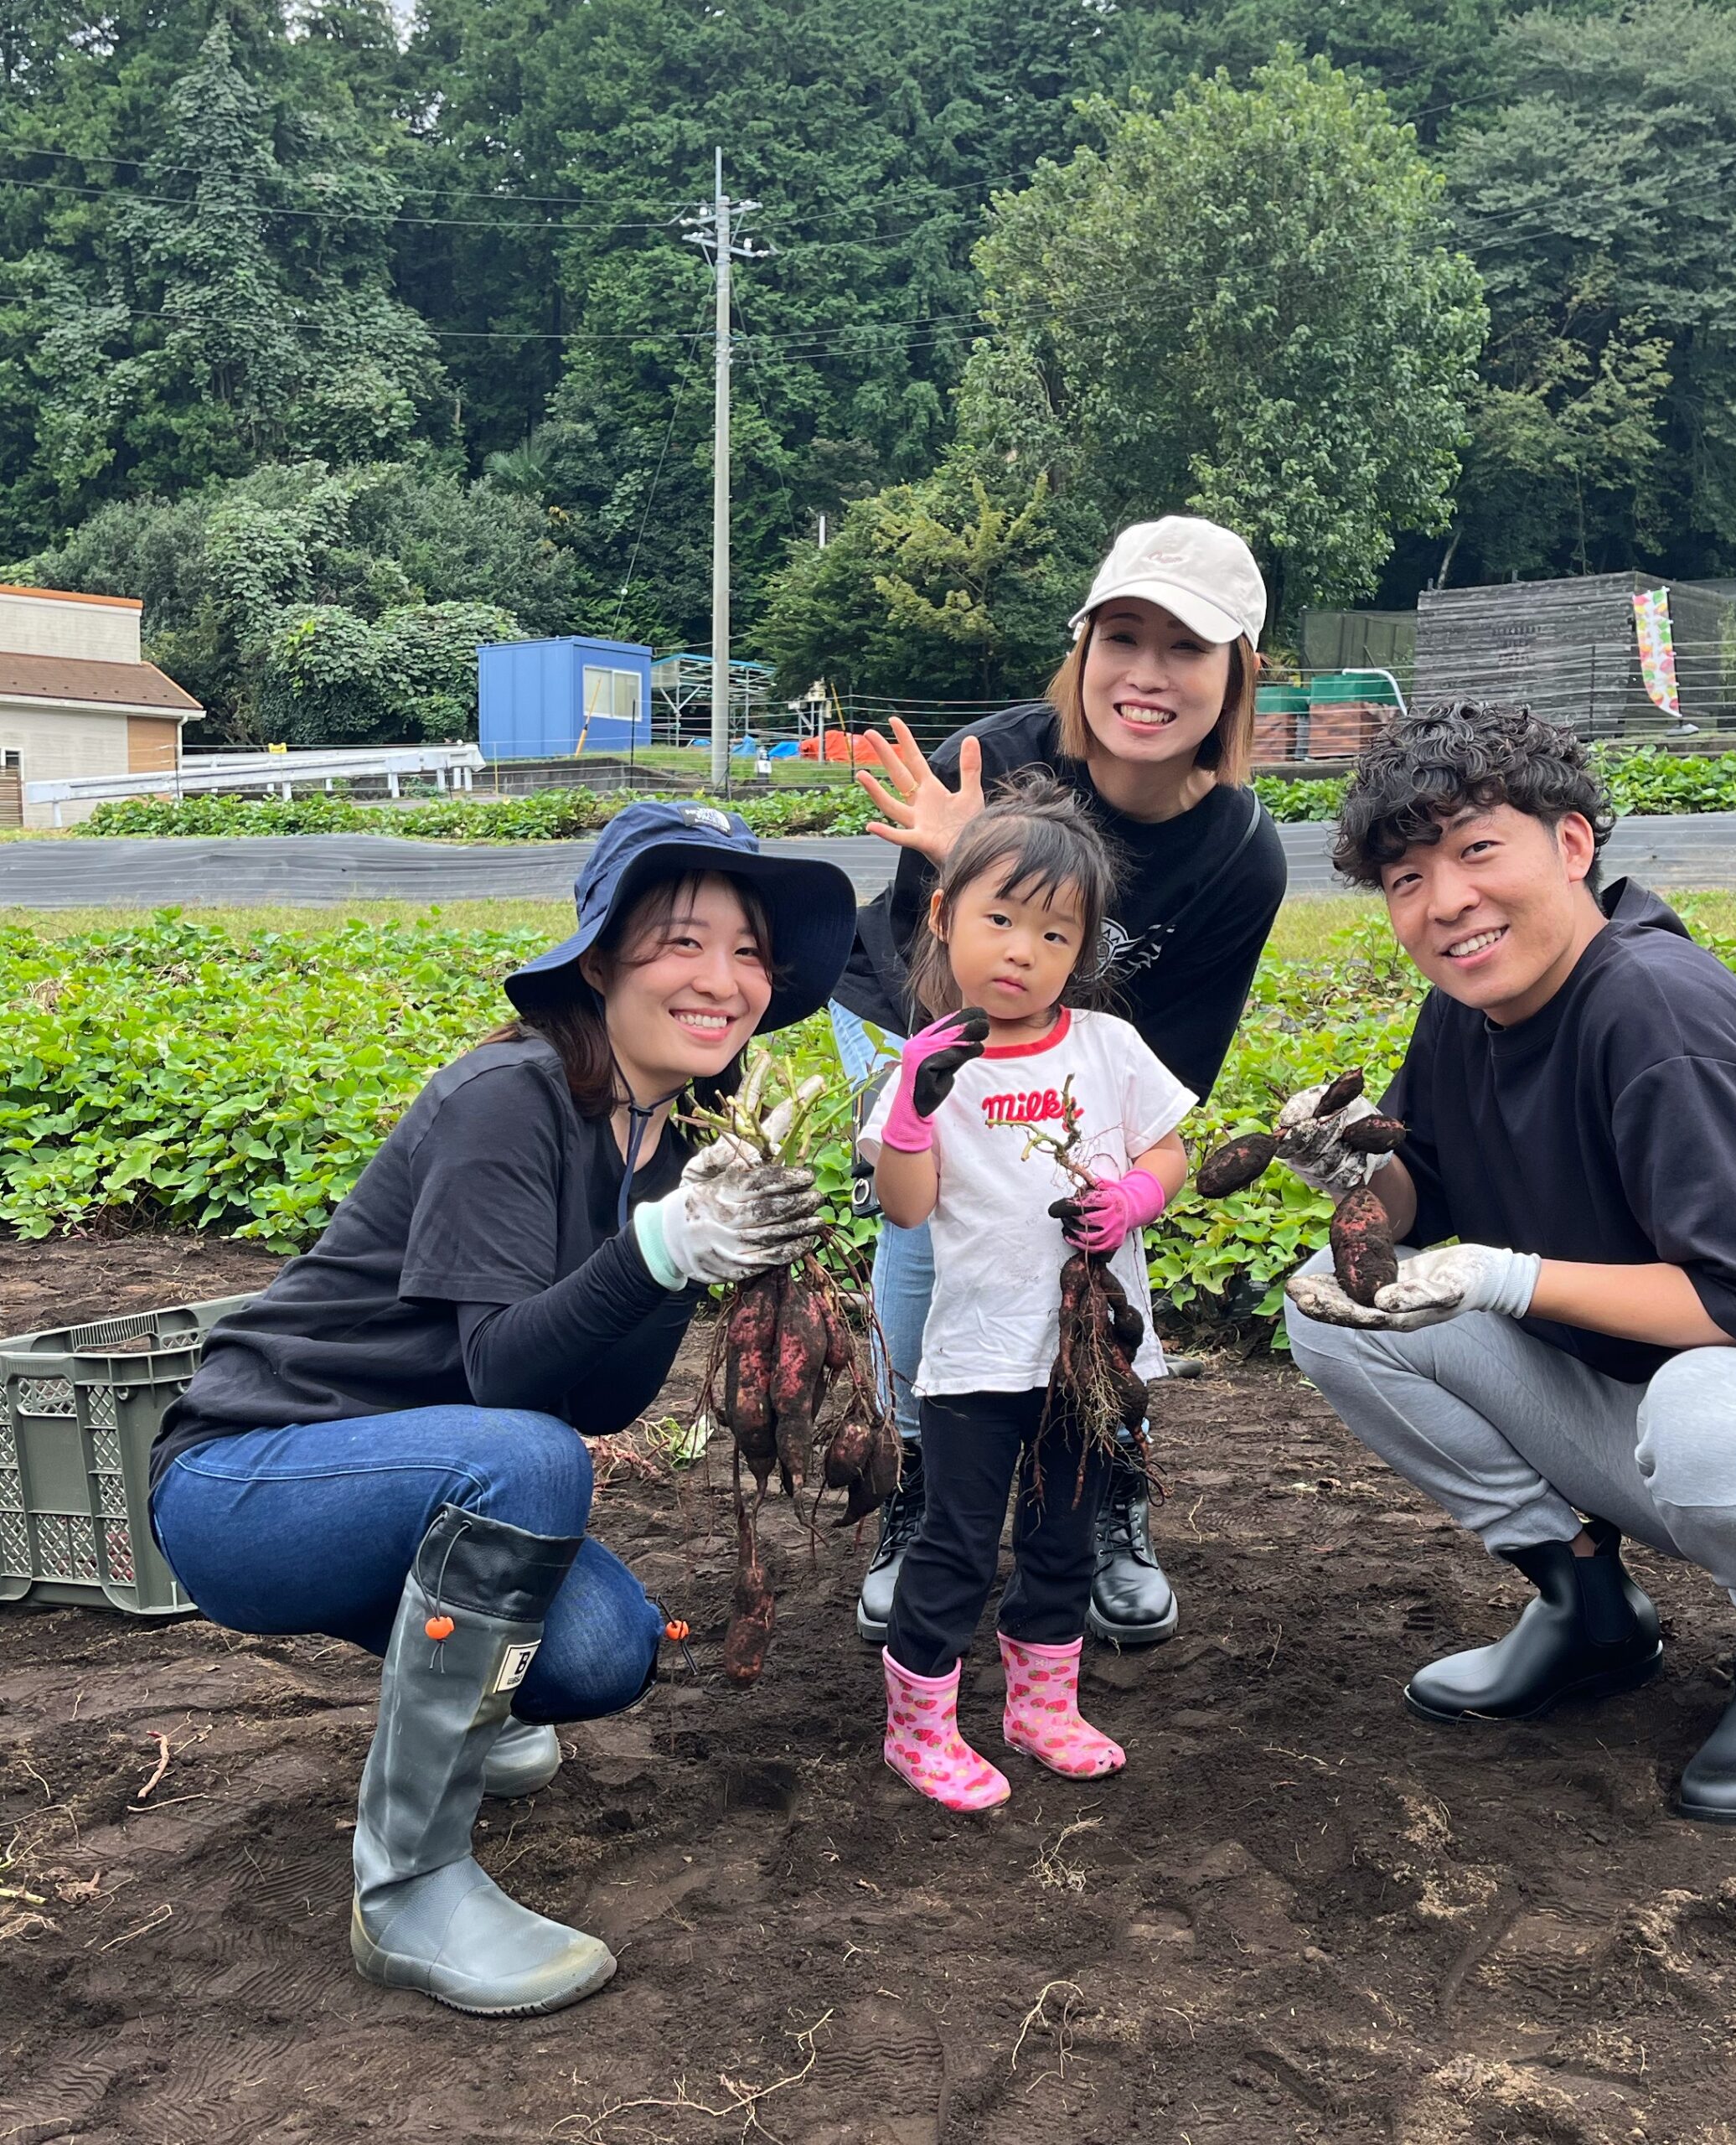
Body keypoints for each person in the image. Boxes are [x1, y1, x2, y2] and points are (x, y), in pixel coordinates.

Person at [148, 802, 855, 2013]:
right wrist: (657, 1250)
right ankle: (409, 1889)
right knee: (530, 1464)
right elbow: (505, 1383)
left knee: (604, 1650)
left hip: (419, 1480)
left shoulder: (662, 1137)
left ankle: (459, 1711)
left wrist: (686, 1255)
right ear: (599, 963)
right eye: (682, 942)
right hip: (249, 1480)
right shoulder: (507, 1098)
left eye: (749, 953)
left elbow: (604, 1397)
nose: (724, 980)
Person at [1279, 704, 1736, 1823]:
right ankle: (1586, 1606)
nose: (1445, 900)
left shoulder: (1657, 1015)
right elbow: (1415, 1201)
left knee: (1711, 1412)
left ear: (1571, 843)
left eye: (1476, 850)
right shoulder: (1467, 1010)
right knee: (1337, 1302)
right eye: (1406, 877)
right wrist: (1348, 1171)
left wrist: (1501, 1275)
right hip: (1635, 1407)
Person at [831, 514, 1286, 1651]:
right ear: (1081, 651)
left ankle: (1107, 1466)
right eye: (1120, 638)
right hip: (913, 1005)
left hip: (1088, 1031)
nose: (1146, 675)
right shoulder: (989, 769)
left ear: (1237, 673)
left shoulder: (1240, 853)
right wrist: (967, 857)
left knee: (1089, 1226)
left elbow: (1166, 1067)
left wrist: (1126, 1176)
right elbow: (944, 991)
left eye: (1185, 647)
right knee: (935, 1220)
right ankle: (917, 1479)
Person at [860, 780, 1196, 1811]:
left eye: (1054, 934)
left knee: (1063, 1533)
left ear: (1081, 950)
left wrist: (1132, 1197)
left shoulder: (1107, 1047)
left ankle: (1040, 1708)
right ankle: (918, 1727)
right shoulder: (931, 1063)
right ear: (943, 913)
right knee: (956, 1541)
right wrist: (913, 1114)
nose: (1021, 952)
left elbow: (1169, 1151)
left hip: (1086, 1356)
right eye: (1000, 919)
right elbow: (907, 1207)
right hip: (975, 1354)